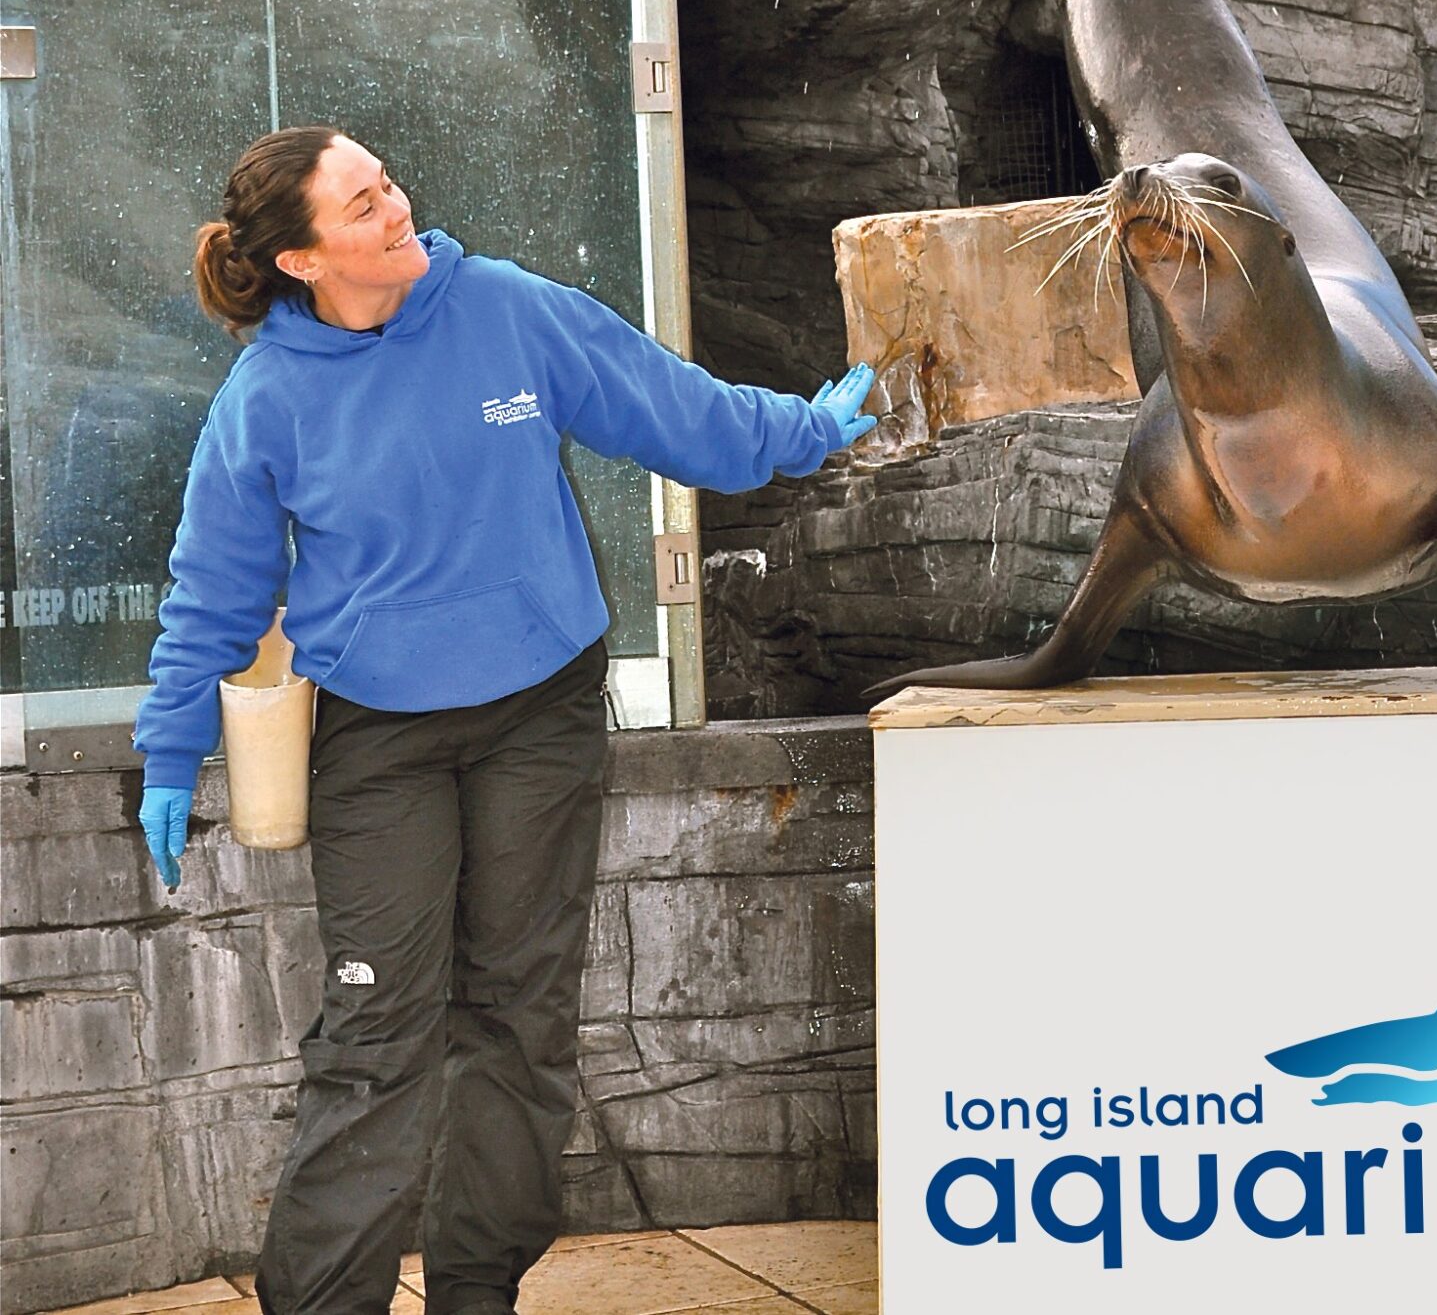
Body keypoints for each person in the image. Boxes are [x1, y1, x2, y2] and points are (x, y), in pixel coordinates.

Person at [130, 125, 877, 1315]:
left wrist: (805, 429)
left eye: (389, 182)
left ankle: (478, 1292)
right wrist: (171, 749)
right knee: (378, 1029)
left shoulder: (509, 309)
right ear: (303, 262)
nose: (399, 210)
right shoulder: (264, 402)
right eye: (364, 206)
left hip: (540, 712)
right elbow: (213, 591)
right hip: (378, 738)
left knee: (521, 1021)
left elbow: (667, 409)